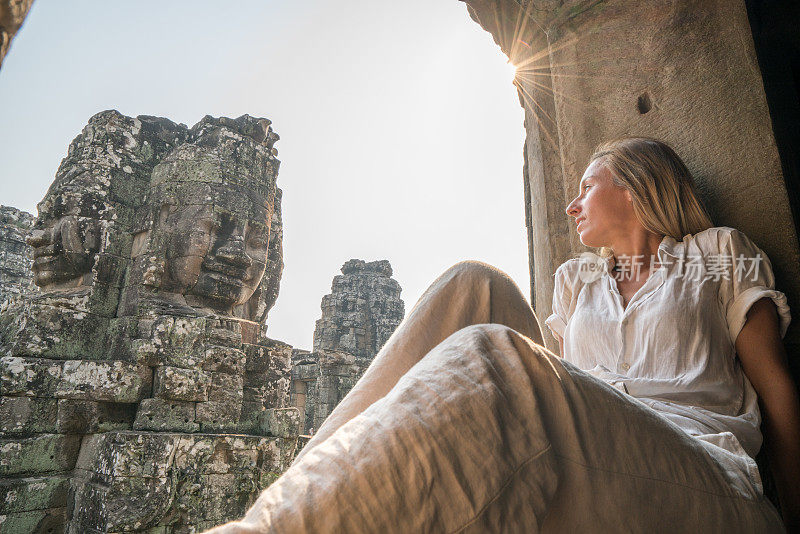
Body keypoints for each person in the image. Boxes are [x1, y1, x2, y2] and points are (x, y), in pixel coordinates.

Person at [205, 138, 800, 533]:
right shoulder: (576, 281)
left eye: (588, 187)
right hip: (591, 437)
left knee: (498, 358)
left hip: (696, 465)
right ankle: (277, 516)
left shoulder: (718, 255)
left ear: (637, 188)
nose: (572, 205)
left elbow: (775, 389)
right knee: (473, 284)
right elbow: (562, 379)